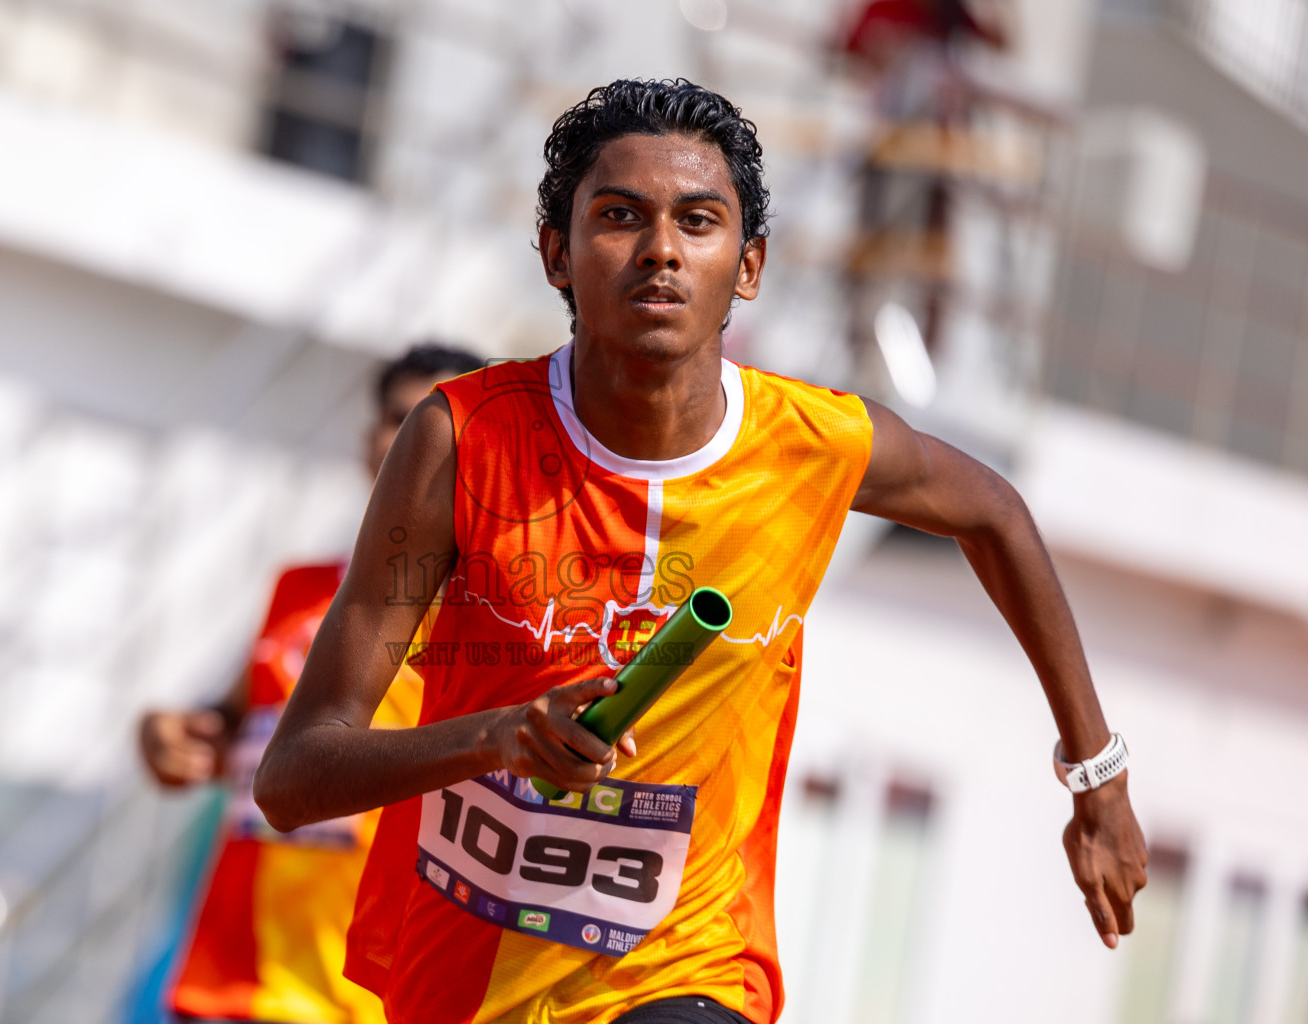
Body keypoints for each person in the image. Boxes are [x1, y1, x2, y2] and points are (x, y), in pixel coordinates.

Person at [253, 79, 1147, 1024]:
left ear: (749, 265)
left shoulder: (812, 446)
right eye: (619, 217)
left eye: (699, 221)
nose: (662, 251)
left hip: (690, 968)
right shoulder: (459, 438)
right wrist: (497, 735)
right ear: (558, 254)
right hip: (467, 983)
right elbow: (295, 777)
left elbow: (996, 514)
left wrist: (1099, 773)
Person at [138, 342, 484, 1024]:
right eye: (399, 418)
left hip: (365, 1004)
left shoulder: (497, 622)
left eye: (441, 422)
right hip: (223, 993)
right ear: (367, 442)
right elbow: (232, 724)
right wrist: (174, 735)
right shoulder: (299, 591)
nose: (414, 440)